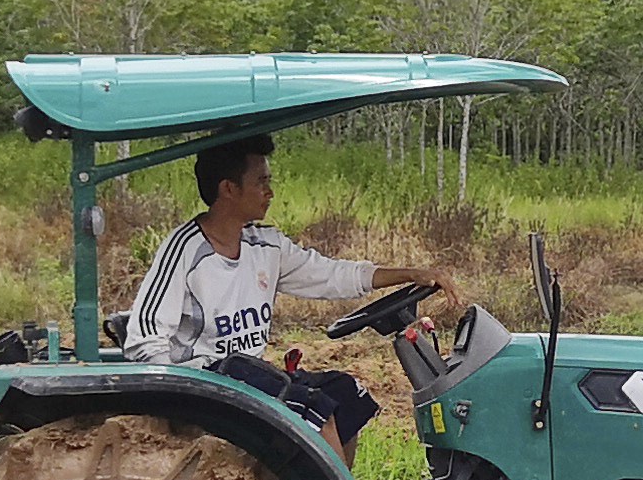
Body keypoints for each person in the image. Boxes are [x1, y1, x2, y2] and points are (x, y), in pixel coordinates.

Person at [120, 135, 451, 459]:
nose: (271, 192)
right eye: (261, 182)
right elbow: (144, 338)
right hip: (208, 378)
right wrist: (176, 408)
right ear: (229, 189)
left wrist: (410, 274)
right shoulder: (186, 250)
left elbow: (331, 274)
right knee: (315, 412)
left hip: (248, 371)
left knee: (345, 396)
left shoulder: (266, 245)